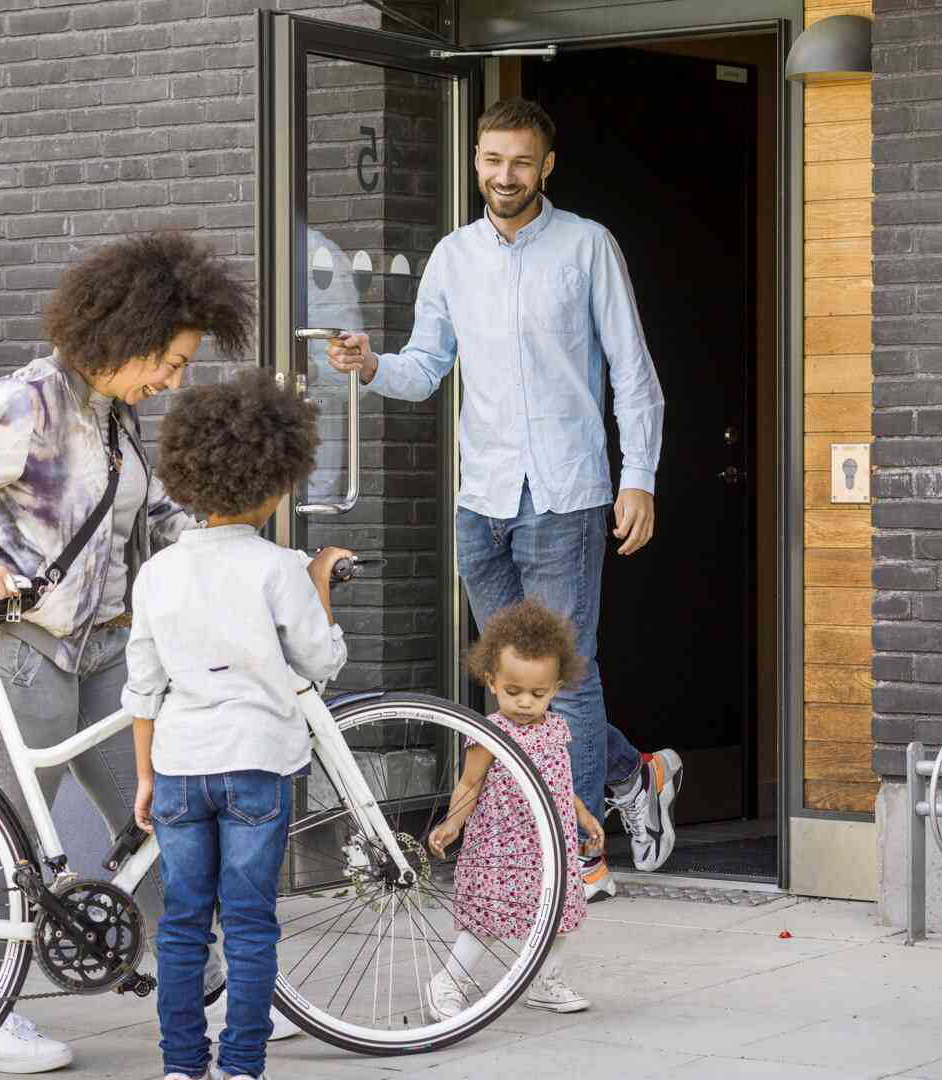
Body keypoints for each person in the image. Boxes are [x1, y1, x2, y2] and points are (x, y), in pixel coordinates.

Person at [0, 234, 278, 1072]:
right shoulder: (29, 401)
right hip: (24, 648)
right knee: (7, 838)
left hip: (105, 649)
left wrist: (246, 546)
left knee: (155, 820)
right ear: (127, 336)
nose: (174, 380)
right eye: (171, 362)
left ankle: (219, 991)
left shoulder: (114, 414)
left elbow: (150, 520)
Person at [325, 97, 684, 898]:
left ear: (546, 166)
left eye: (521, 161)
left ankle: (575, 856)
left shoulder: (588, 247)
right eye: (493, 160)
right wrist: (372, 364)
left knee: (568, 676)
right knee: (515, 684)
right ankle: (638, 770)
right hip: (481, 497)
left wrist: (639, 479)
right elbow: (426, 367)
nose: (505, 175)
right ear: (477, 160)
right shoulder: (453, 257)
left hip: (565, 493)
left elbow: (633, 373)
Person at [124, 372, 353, 1080]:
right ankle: (242, 1067)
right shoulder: (278, 567)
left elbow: (143, 687)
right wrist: (317, 580)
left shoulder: (157, 573)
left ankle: (180, 1067)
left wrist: (144, 775)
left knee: (184, 925)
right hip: (257, 765)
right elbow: (322, 659)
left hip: (180, 767)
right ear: (274, 483)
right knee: (250, 925)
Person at [426, 599, 602, 1018]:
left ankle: (546, 981)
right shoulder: (490, 733)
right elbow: (470, 783)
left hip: (550, 850)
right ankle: (449, 982)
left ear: (556, 688)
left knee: (562, 916)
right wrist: (453, 824)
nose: (525, 702)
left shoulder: (557, 728)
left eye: (538, 693)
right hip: (501, 848)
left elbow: (560, 783)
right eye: (513, 691)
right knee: (487, 919)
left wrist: (583, 815)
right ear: (491, 681)